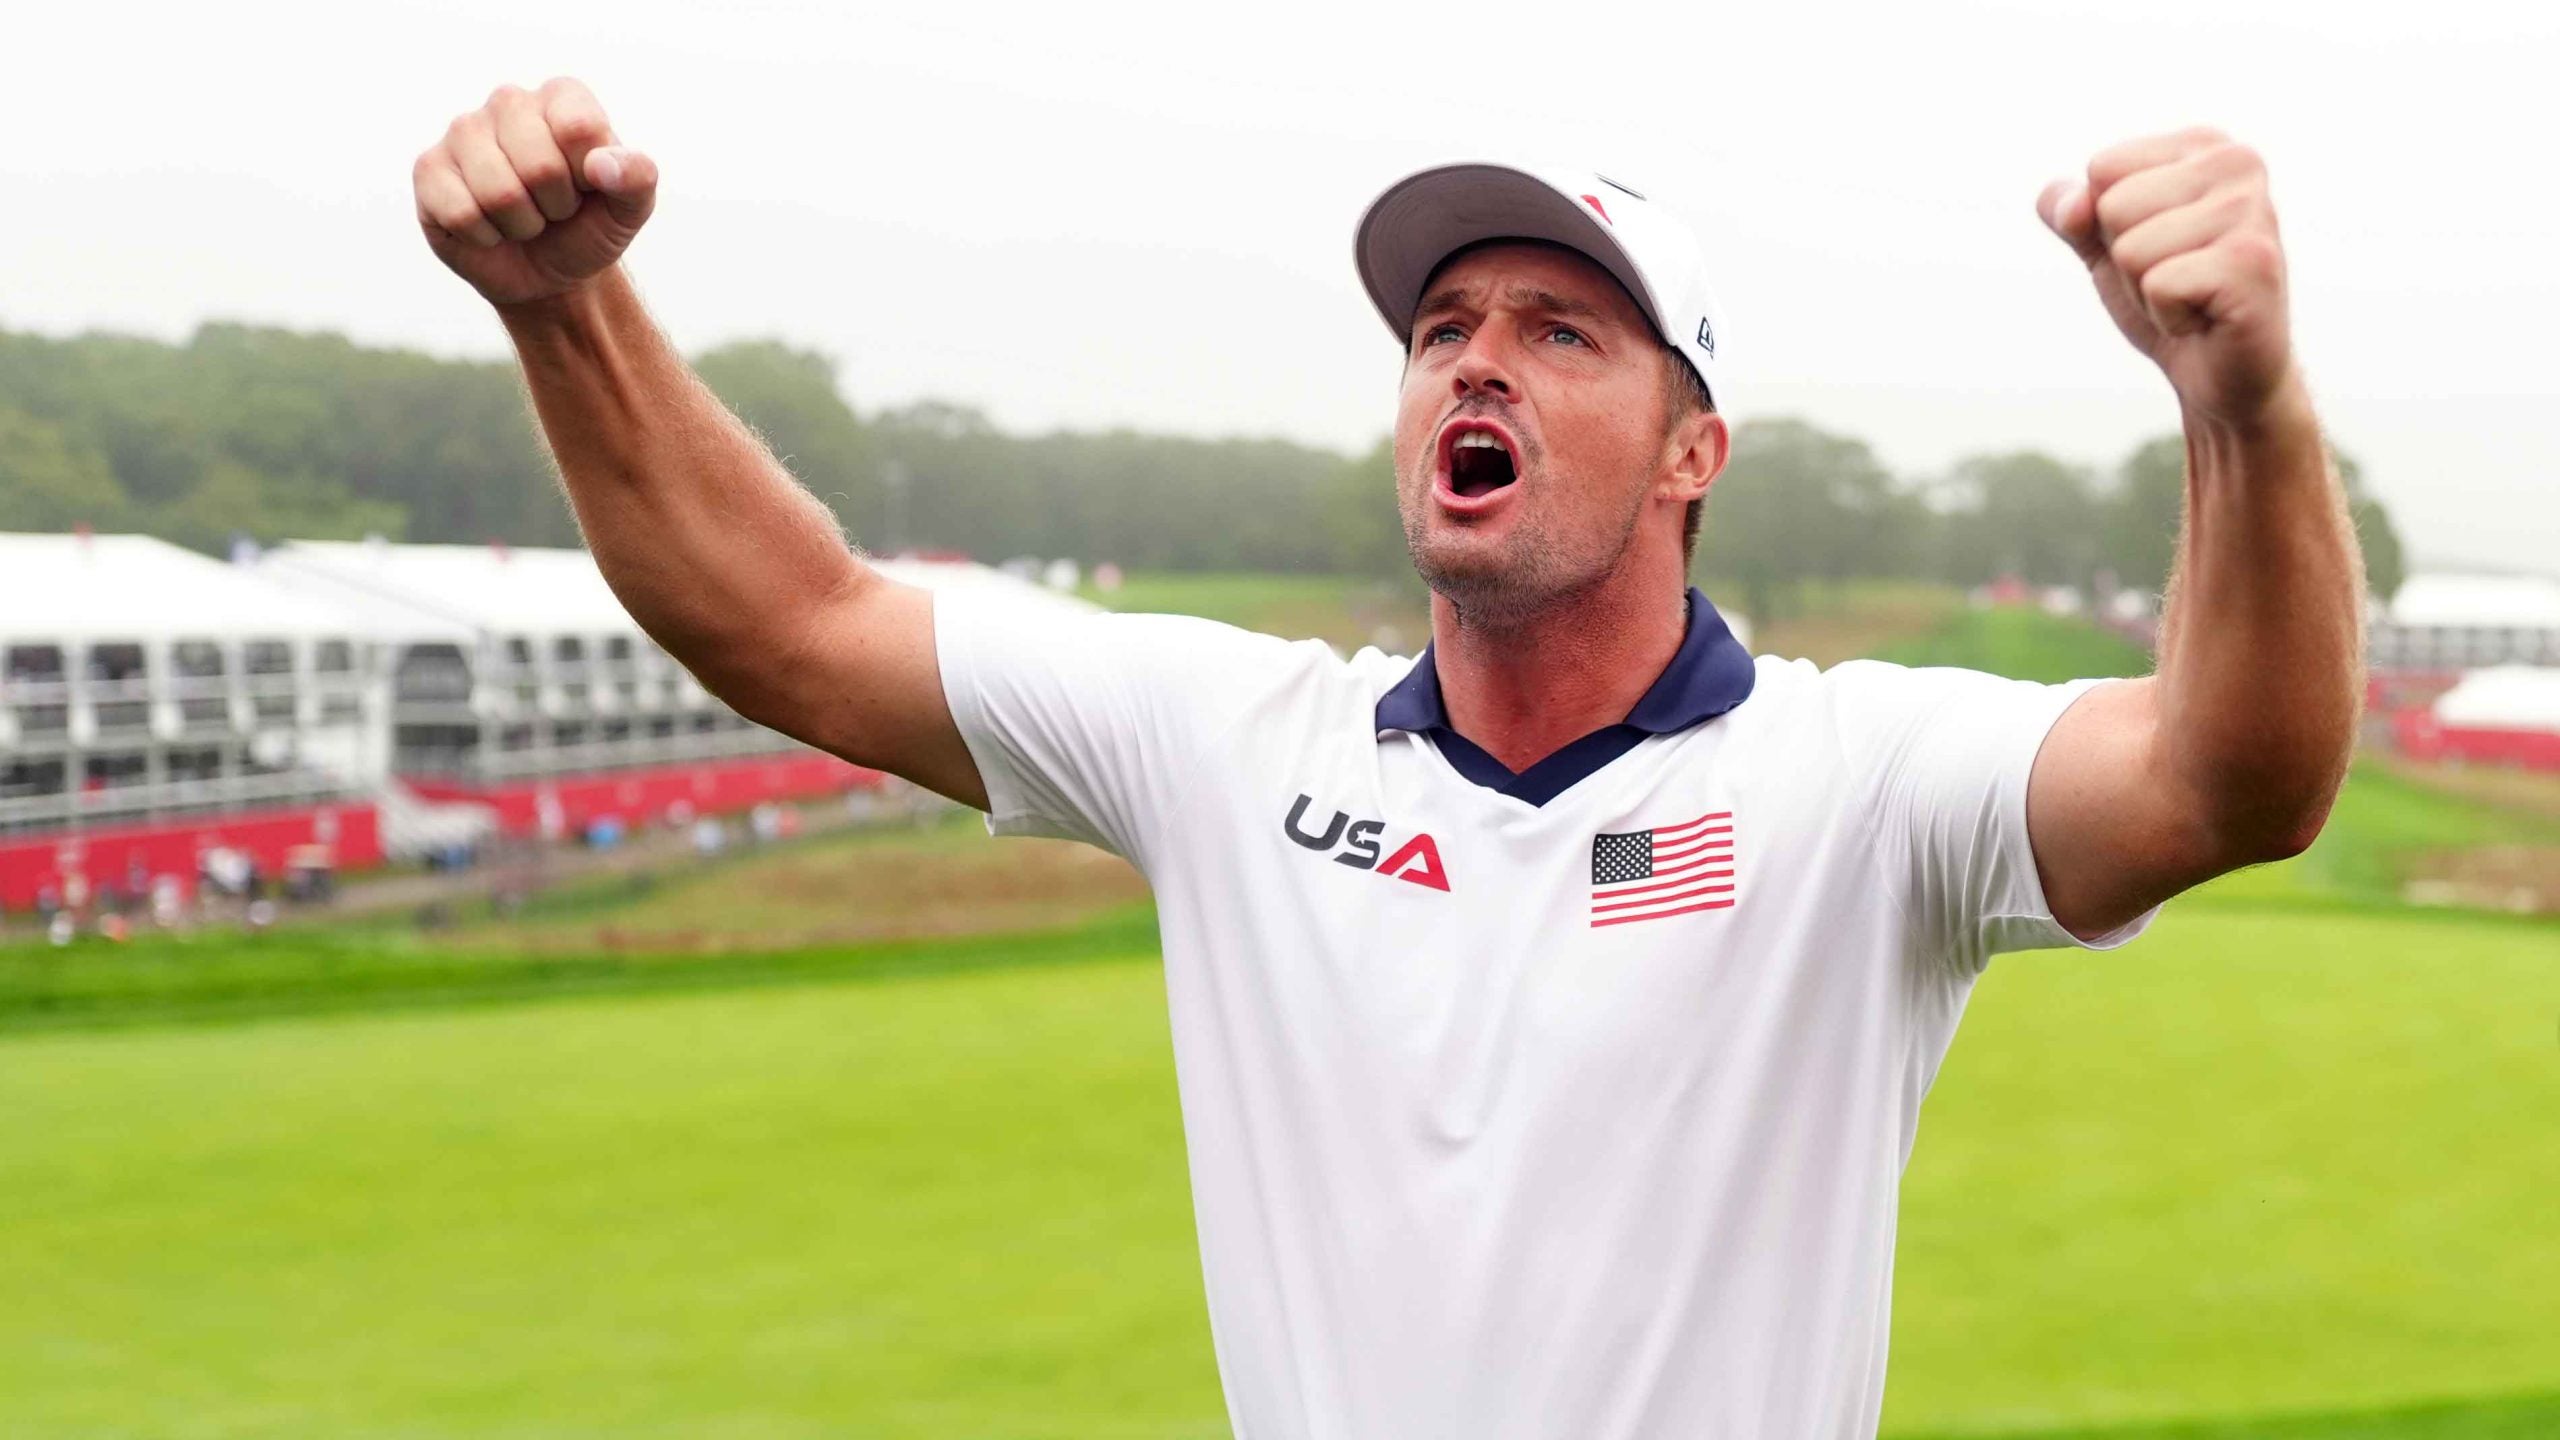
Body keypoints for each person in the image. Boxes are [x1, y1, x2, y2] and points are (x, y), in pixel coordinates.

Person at [413, 81, 2362, 1440]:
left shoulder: (1857, 788)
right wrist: (563, 309)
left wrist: (2236, 400)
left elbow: (2228, 778)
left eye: (1558, 332)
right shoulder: (1229, 745)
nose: (1471, 360)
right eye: (1439, 328)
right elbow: (794, 623)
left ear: (1695, 454)